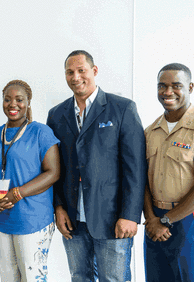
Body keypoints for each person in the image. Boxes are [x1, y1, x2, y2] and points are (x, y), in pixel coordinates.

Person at [46, 50, 147, 281]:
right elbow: (55, 167)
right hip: (73, 219)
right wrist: (58, 207)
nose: (76, 77)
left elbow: (136, 168)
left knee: (113, 278)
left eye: (81, 70)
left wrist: (130, 215)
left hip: (112, 218)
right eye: (70, 72)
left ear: (95, 71)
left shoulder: (122, 108)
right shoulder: (56, 115)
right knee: (80, 277)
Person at [143, 63, 194, 282]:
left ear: (190, 87)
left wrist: (166, 221)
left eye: (176, 85)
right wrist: (151, 219)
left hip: (192, 220)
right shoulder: (150, 131)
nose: (168, 92)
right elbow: (143, 182)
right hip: (156, 220)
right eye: (162, 86)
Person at [0, 80, 60, 281]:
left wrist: (17, 193)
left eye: (19, 99)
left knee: (32, 276)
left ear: (28, 102)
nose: (13, 104)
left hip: (32, 219)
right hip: (1, 220)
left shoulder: (41, 132)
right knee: (8, 277)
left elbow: (53, 172)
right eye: (7, 99)